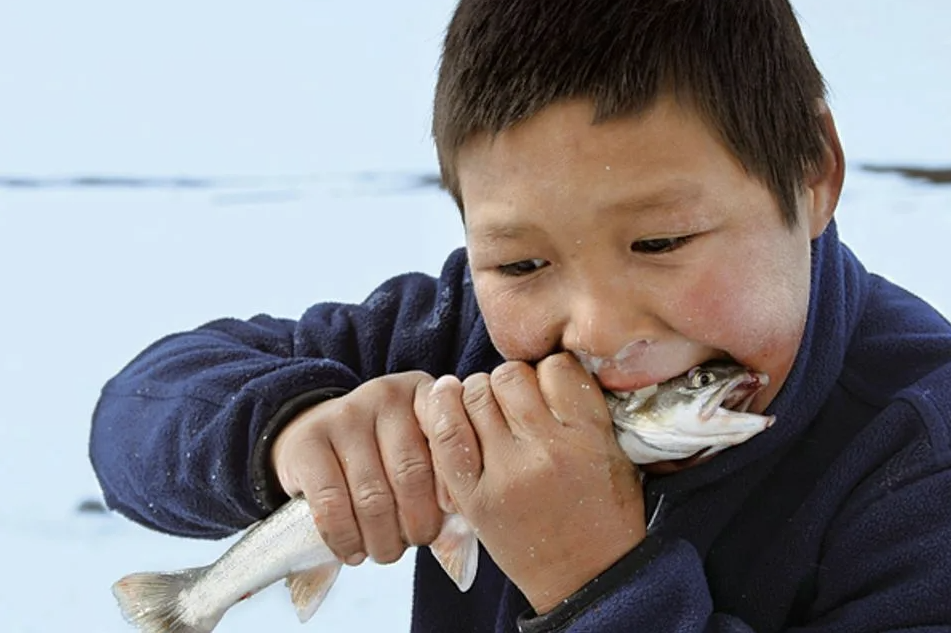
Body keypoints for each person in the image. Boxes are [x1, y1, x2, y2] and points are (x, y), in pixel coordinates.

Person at [89, 0, 951, 631]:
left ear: (811, 174)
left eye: (658, 240)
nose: (598, 331)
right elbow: (136, 415)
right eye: (522, 263)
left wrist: (601, 584)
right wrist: (288, 429)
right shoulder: (453, 339)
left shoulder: (922, 462)